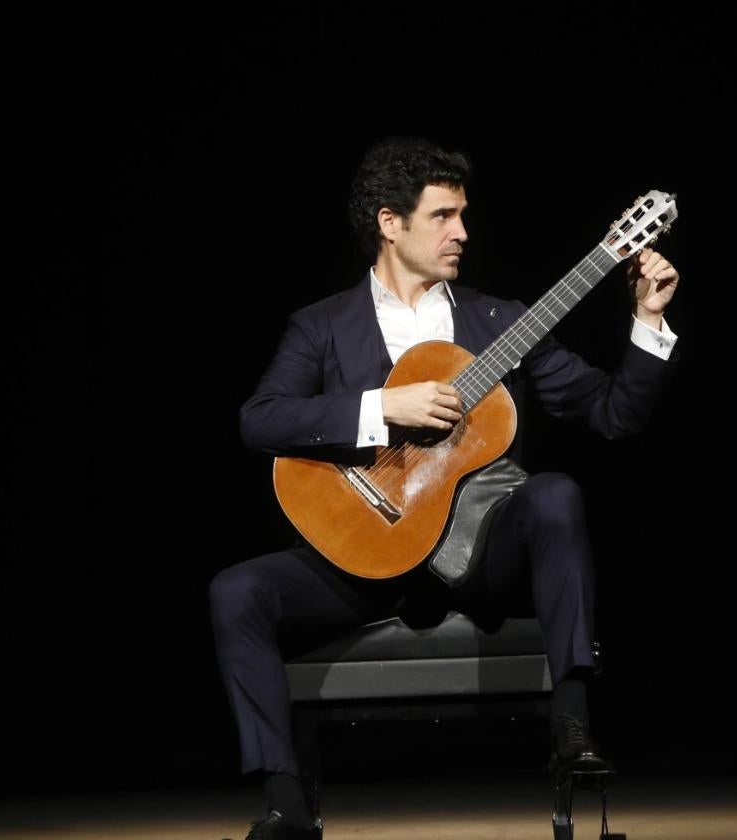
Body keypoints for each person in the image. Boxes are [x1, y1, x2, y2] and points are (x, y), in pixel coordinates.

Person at [209, 136, 680, 840]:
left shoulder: (501, 323)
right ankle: (287, 808)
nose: (463, 231)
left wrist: (646, 321)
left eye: (464, 215)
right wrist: (380, 407)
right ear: (389, 224)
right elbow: (259, 420)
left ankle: (574, 730)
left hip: (474, 556)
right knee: (235, 591)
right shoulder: (323, 327)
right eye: (443, 216)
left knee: (555, 494)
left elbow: (613, 415)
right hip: (362, 556)